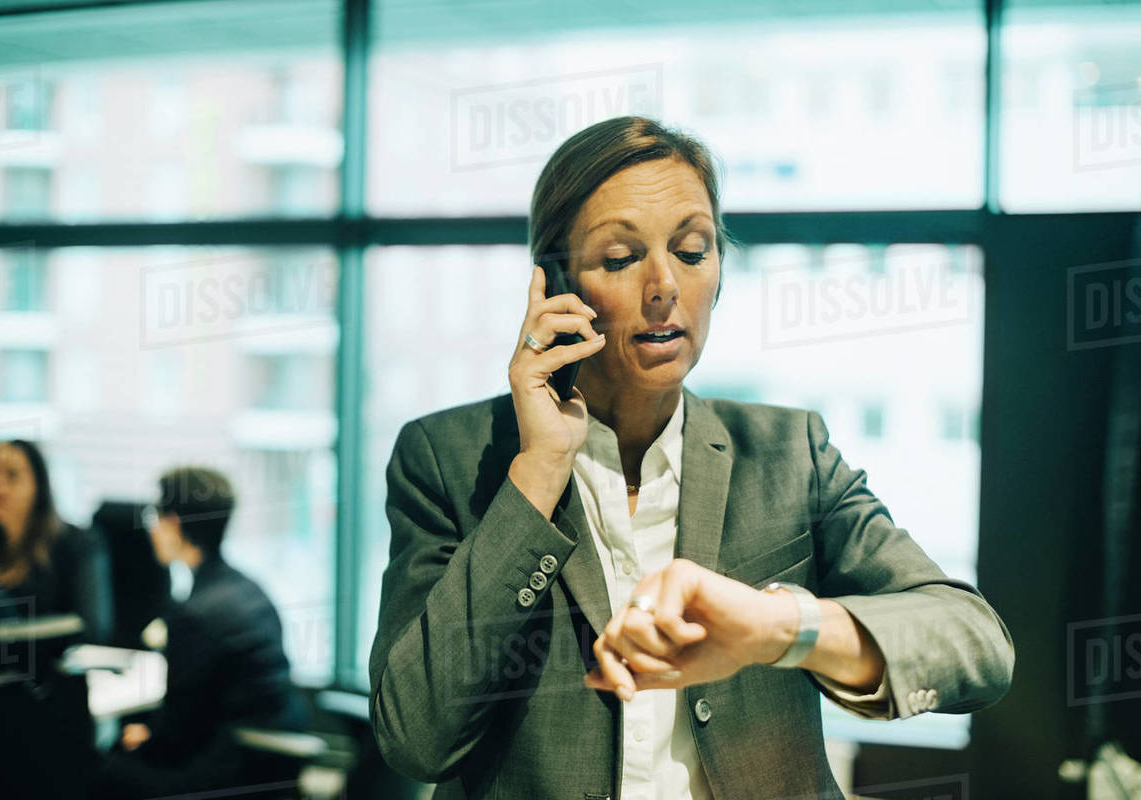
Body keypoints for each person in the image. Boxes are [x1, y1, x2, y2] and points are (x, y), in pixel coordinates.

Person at [368, 115, 1014, 800]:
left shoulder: (788, 453)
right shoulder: (448, 459)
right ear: (557, 287)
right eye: (619, 259)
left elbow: (977, 645)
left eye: (692, 249)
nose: (664, 284)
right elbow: (414, 739)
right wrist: (537, 473)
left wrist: (777, 628)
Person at [93, 466, 306, 799]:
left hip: (227, 772)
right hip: (268, 762)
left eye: (155, 517)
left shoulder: (194, 614)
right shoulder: (249, 589)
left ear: (173, 524)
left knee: (105, 773)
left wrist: (149, 737)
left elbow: (180, 728)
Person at [0, 439, 111, 642]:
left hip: (23, 659)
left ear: (38, 485)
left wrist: (5, 636)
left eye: (12, 476)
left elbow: (92, 627)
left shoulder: (76, 542)